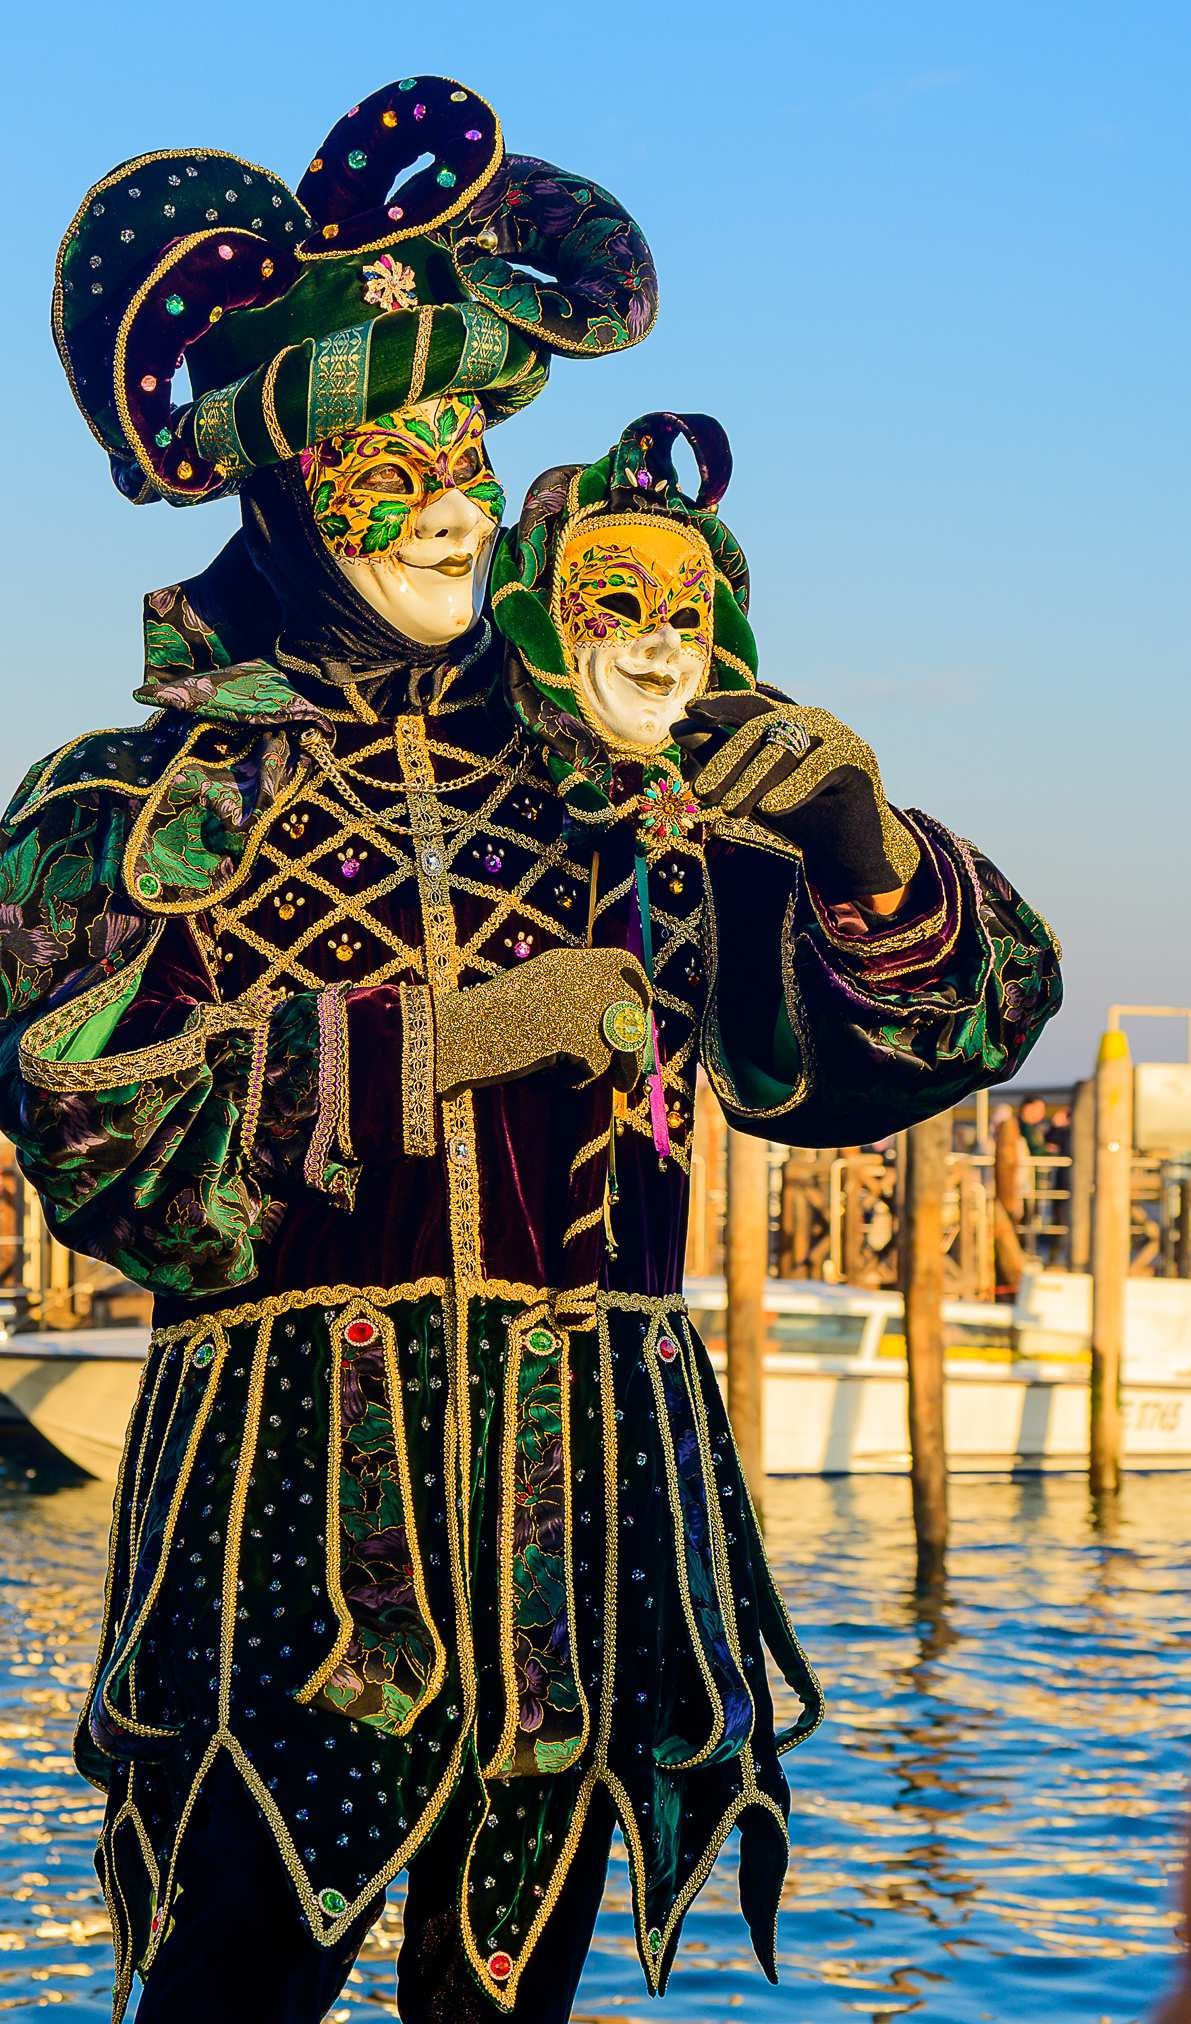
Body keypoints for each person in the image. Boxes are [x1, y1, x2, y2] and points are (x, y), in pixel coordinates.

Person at [0, 83, 1061, 2024]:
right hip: (284, 1551)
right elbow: (105, 1145)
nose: (448, 503)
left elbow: (885, 1058)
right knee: (227, 1992)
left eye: (469, 450)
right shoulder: (130, 803)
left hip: (592, 1545)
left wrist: (858, 845)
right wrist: (451, 1041)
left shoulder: (623, 779)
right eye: (382, 457)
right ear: (274, 480)